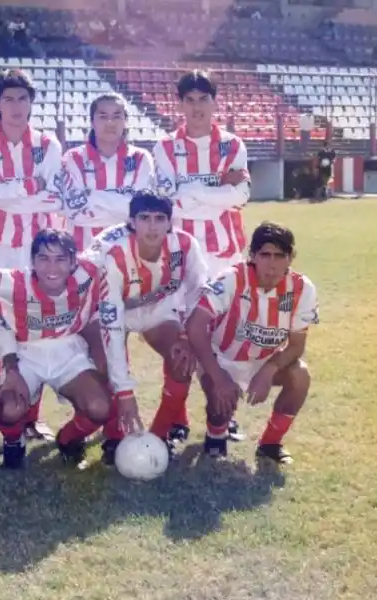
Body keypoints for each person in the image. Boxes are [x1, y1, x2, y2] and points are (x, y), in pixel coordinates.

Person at [151, 69, 250, 442]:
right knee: (179, 338)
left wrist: (190, 192)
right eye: (189, 100)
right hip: (180, 258)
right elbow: (166, 202)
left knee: (221, 339)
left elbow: (240, 196)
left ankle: (221, 415)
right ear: (180, 105)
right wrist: (214, 194)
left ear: (214, 102)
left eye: (203, 99)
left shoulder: (232, 145)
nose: (196, 108)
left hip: (225, 255)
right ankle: (177, 419)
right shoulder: (164, 147)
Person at [0, 229, 110, 469]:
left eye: (60, 259)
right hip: (25, 352)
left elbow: (116, 243)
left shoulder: (88, 271)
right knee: (9, 408)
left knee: (100, 408)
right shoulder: (10, 281)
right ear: (32, 261)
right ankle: (13, 440)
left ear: (73, 262)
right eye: (43, 258)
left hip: (68, 351)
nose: (52, 268)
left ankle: (68, 439)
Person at [0, 69, 64, 440]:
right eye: (8, 98)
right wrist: (29, 186)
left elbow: (54, 193)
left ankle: (31, 415)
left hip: (40, 249)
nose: (16, 106)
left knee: (34, 327)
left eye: (23, 98)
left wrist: (11, 192)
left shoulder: (48, 145)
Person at [87, 190, 208, 464]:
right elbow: (112, 324)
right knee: (105, 364)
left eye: (159, 218)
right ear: (131, 221)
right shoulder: (110, 252)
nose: (152, 226)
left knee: (182, 358)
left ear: (170, 222)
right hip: (108, 310)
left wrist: (187, 335)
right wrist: (126, 392)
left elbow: (198, 293)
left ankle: (159, 435)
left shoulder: (185, 245)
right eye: (144, 218)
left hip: (157, 308)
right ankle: (114, 434)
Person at [184, 222, 319, 463]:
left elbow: (297, 345)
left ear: (291, 258)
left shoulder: (302, 288)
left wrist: (268, 371)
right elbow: (195, 325)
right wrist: (218, 376)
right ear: (253, 256)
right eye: (265, 255)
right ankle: (216, 435)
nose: (272, 263)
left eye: (280, 256)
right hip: (223, 357)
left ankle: (270, 443)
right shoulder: (231, 279)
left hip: (264, 359)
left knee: (300, 375)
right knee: (219, 399)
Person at [58, 92, 155, 252]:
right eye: (103, 116)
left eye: (117, 116)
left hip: (130, 254)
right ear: (92, 122)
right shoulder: (73, 158)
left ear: (125, 121)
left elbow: (142, 213)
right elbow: (75, 213)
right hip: (83, 254)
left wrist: (92, 197)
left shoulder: (141, 158)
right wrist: (124, 204)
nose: (110, 122)